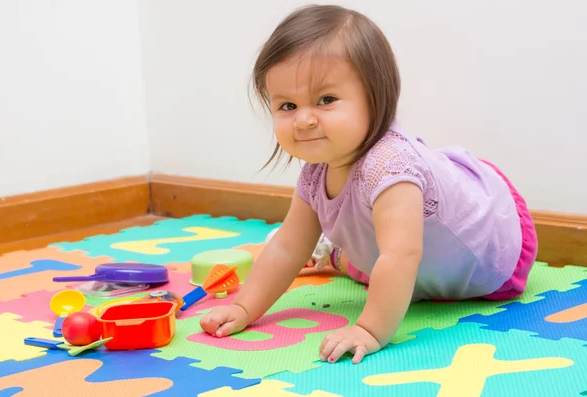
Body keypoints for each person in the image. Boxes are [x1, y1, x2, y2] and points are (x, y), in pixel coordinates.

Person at [199, 4, 538, 364]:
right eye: (287, 105)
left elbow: (402, 255)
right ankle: (334, 252)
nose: (303, 120)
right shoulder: (316, 173)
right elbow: (286, 247)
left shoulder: (390, 167)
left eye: (325, 100)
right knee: (373, 259)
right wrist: (244, 307)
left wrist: (370, 329)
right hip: (406, 261)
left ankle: (333, 251)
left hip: (489, 255)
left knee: (391, 254)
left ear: (376, 99)